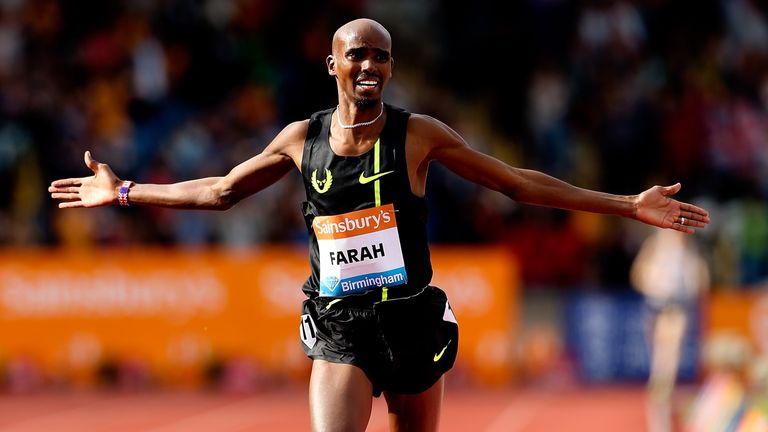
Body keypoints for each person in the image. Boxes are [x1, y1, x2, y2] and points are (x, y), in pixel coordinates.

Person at [49, 18, 710, 432]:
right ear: (333, 65)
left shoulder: (417, 135)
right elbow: (220, 191)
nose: (371, 66)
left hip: (412, 321)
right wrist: (127, 190)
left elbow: (516, 183)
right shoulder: (296, 140)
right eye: (358, 54)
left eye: (383, 56)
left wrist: (627, 204)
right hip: (340, 326)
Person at [630, 228, 710, 432]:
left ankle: (661, 407)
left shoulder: (688, 248)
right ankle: (659, 406)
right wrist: (653, 283)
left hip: (677, 308)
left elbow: (701, 279)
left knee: (667, 361)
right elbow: (637, 275)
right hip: (656, 307)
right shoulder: (654, 244)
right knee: (661, 362)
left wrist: (693, 283)